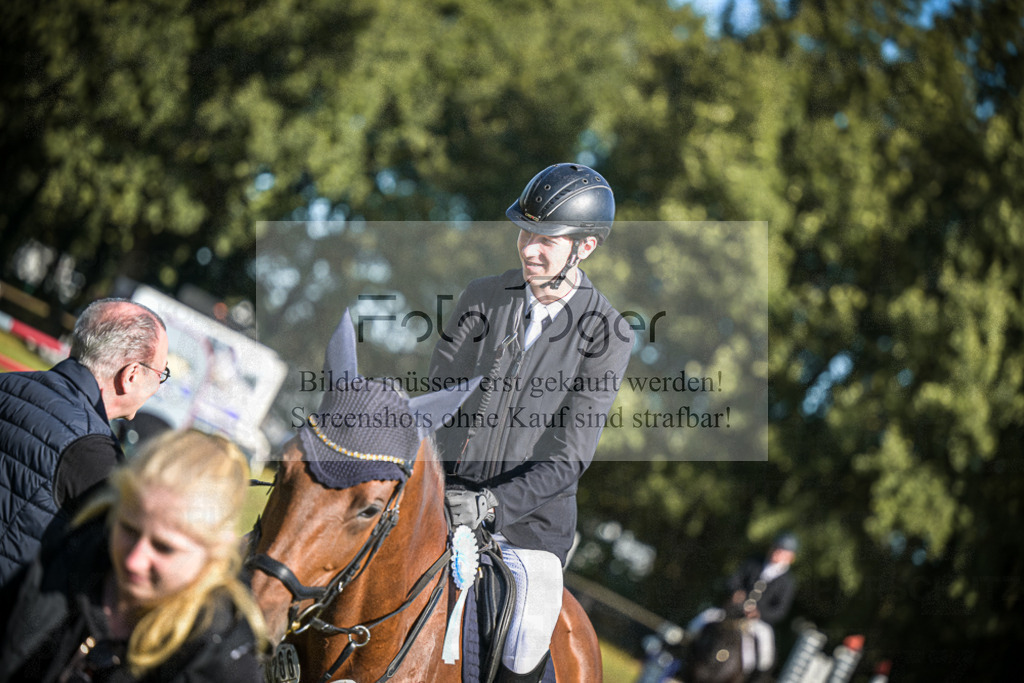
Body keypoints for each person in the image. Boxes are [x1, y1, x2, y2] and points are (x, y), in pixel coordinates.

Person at [430, 162, 633, 682]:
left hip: (528, 528)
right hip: (444, 495)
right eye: (525, 232)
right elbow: (438, 400)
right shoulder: (482, 296)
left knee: (523, 644)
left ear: (584, 247)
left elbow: (569, 458)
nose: (528, 248)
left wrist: (491, 504)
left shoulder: (607, 334)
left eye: (547, 239)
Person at [0, 429, 267, 682]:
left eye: (164, 547)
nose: (134, 560)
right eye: (128, 529)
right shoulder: (69, 557)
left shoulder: (221, 664)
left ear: (217, 551)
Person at [0, 298, 169, 587]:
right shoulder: (93, 451)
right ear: (130, 375)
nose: (157, 386)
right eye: (160, 374)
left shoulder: (6, 384)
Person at [688, 533, 799, 679]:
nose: (777, 553)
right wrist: (736, 592)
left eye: (782, 551)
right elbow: (733, 580)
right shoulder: (753, 563)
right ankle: (683, 652)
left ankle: (755, 678)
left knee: (766, 652)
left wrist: (759, 613)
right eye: (776, 548)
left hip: (756, 621)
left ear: (790, 558)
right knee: (700, 620)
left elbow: (780, 611)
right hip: (732, 612)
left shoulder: (787, 582)